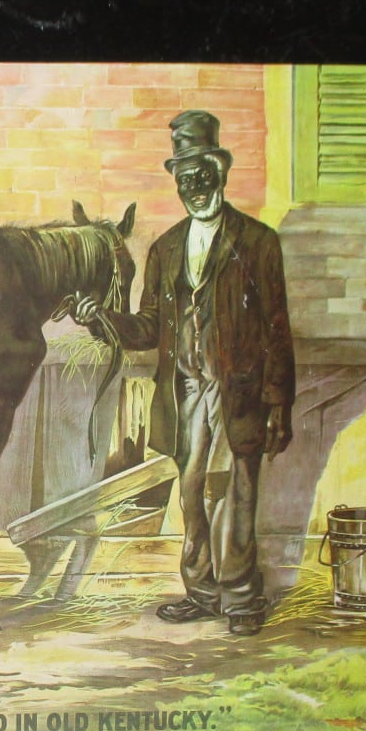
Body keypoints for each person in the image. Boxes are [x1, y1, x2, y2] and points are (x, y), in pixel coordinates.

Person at [74, 110, 294, 636]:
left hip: (239, 393)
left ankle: (241, 598)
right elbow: (150, 327)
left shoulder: (259, 242)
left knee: (237, 492)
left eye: (204, 174)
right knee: (192, 491)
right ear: (177, 184)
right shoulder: (166, 248)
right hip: (185, 392)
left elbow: (277, 328)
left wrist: (279, 402)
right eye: (185, 178)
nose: (195, 187)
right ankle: (201, 591)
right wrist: (104, 320)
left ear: (221, 172)